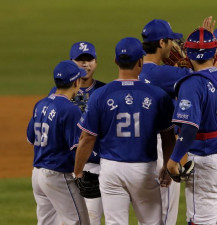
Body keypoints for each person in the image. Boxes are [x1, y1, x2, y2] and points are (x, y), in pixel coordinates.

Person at [73, 37, 176, 225]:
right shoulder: (157, 95)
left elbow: (86, 138)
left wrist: (78, 172)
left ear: (115, 61)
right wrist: (167, 167)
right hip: (144, 170)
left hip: (111, 169)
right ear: (140, 62)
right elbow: (168, 136)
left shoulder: (100, 95)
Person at [167, 28, 217, 225]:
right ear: (215, 52)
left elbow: (190, 128)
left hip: (208, 163)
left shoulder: (192, 84)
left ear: (188, 53)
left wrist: (173, 160)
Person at [139, 20, 191, 224]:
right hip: (162, 148)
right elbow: (200, 77)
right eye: (170, 41)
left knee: (146, 218)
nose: (173, 46)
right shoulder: (161, 73)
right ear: (161, 43)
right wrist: (190, 59)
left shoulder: (135, 71)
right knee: (165, 217)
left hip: (135, 149)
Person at [26, 60, 90, 225]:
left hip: (38, 175)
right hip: (58, 175)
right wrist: (79, 173)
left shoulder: (40, 104)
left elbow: (30, 138)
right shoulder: (70, 109)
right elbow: (78, 146)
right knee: (79, 222)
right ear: (76, 82)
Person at [49, 41, 106, 225]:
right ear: (71, 62)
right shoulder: (58, 93)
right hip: (64, 168)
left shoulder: (105, 91)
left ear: (96, 62)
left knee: (90, 218)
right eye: (79, 60)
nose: (85, 64)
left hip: (95, 168)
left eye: (89, 59)